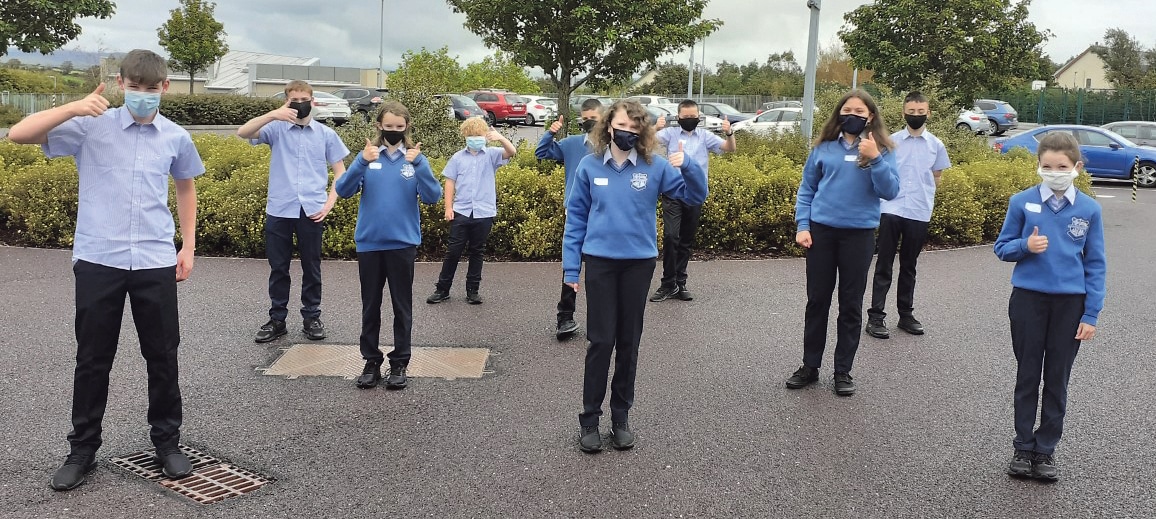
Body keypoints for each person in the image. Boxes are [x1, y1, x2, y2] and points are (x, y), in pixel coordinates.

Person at [8, 49, 204, 490]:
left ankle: (168, 444)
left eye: (151, 89)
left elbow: (186, 186)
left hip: (155, 259)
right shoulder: (88, 127)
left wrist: (188, 246)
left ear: (164, 88)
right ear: (120, 84)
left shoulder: (175, 136)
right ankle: (82, 450)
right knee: (93, 358)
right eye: (135, 88)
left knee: (163, 356)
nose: (142, 96)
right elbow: (18, 134)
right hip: (99, 259)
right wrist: (75, 106)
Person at [564, 100, 708, 453]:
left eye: (634, 126)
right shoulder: (589, 166)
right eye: (621, 125)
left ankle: (621, 417)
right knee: (601, 341)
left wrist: (687, 165)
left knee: (629, 342)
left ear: (641, 131)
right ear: (608, 126)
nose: (627, 131)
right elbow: (576, 219)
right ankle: (589, 420)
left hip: (638, 264)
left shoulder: (655, 166)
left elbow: (695, 196)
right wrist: (571, 267)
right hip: (599, 262)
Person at [993, 132, 1105, 482]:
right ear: (1038, 166)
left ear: (1076, 167)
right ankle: (1022, 447)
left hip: (1070, 305)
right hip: (1028, 300)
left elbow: (1096, 264)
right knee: (1027, 375)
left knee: (1057, 378)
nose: (1054, 171)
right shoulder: (1022, 202)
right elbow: (1002, 247)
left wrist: (1091, 313)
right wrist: (1025, 245)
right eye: (1047, 166)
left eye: (1062, 166)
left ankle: (1045, 451)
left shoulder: (1089, 209)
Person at [785, 90, 900, 397]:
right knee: (817, 301)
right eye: (846, 110)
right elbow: (807, 189)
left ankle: (842, 371)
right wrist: (803, 225)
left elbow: (890, 191)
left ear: (870, 116)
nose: (852, 115)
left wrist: (875, 158)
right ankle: (810, 366)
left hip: (858, 236)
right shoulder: (824, 147)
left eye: (859, 110)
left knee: (850, 306)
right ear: (838, 114)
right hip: (821, 233)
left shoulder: (883, 150)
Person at [335, 102, 441, 390]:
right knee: (370, 306)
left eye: (399, 127)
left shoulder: (414, 159)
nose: (394, 131)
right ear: (379, 126)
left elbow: (433, 197)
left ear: (406, 127)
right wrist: (360, 161)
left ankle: (399, 363)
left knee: (401, 306)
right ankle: (371, 362)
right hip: (369, 244)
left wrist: (420, 165)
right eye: (388, 126)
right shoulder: (368, 158)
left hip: (402, 245)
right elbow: (343, 191)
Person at [238, 80, 350, 343]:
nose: (300, 104)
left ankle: (312, 317)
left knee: (312, 266)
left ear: (313, 101)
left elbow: (340, 172)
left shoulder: (325, 134)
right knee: (279, 267)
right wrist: (273, 114)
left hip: (311, 209)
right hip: (280, 208)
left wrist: (329, 202)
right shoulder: (275, 129)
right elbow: (243, 132)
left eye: (304, 99)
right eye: (293, 100)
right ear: (286, 101)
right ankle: (277, 319)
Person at [866, 91, 951, 339]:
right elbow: (879, 170)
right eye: (911, 112)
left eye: (921, 112)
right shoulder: (891, 141)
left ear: (928, 113)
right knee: (884, 264)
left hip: (918, 211)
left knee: (909, 265)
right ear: (904, 112)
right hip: (891, 208)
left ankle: (905, 314)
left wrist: (926, 196)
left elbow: (937, 176)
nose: (916, 116)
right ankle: (876, 316)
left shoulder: (936, 145)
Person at [649, 99, 735, 302]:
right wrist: (655, 127)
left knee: (685, 241)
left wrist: (729, 133)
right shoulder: (670, 134)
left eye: (693, 116)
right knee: (671, 237)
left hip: (695, 194)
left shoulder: (704, 136)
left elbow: (729, 148)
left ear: (698, 117)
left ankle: (680, 283)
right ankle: (667, 283)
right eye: (685, 117)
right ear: (678, 117)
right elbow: (646, 142)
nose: (690, 119)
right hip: (673, 193)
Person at [426, 117, 516, 305]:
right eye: (471, 135)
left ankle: (473, 291)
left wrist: (500, 137)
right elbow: (450, 182)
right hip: (462, 211)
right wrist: (448, 207)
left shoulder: (492, 154)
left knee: (477, 251)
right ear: (465, 136)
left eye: (478, 134)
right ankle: (442, 289)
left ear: (485, 135)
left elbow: (511, 152)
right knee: (453, 251)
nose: (475, 138)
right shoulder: (457, 157)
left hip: (484, 212)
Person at [535, 98, 603, 339]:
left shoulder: (611, 147)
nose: (588, 123)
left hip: (603, 215)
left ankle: (601, 319)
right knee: (571, 266)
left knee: (599, 267)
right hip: (575, 212)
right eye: (584, 119)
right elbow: (542, 153)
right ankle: (565, 317)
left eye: (593, 118)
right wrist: (550, 133)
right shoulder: (572, 143)